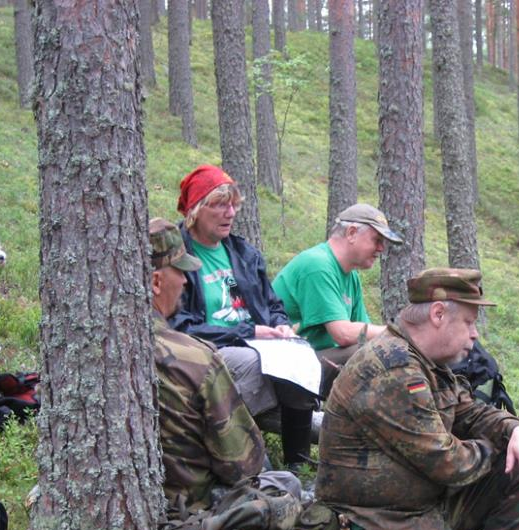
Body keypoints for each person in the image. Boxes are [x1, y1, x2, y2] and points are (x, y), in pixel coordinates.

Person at [316, 268, 519, 530]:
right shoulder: (392, 368)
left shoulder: (427, 364)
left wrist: (517, 431)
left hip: (422, 512)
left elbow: (470, 412)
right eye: (469, 322)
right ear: (438, 314)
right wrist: (495, 447)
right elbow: (446, 462)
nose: (474, 335)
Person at [168, 164, 316, 467]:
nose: (230, 213)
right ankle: (242, 458)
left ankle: (297, 463)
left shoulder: (244, 253)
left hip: (257, 342)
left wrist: (281, 326)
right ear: (195, 210)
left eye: (233, 204)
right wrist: (249, 333)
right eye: (220, 204)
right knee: (252, 363)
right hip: (207, 348)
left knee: (300, 354)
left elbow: (273, 305)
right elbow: (180, 325)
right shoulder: (176, 255)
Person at [147, 217, 299, 511]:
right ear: (156, 282)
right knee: (285, 487)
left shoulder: (99, 348)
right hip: (191, 504)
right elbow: (242, 465)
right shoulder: (196, 358)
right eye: (181, 272)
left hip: (145, 497)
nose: (185, 282)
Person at [272, 203, 403, 397]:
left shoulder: (350, 275)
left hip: (314, 358)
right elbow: (342, 333)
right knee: (372, 357)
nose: (381, 248)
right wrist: (399, 333)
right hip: (285, 366)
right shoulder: (317, 265)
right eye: (377, 239)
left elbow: (364, 331)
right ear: (351, 233)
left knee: (384, 351)